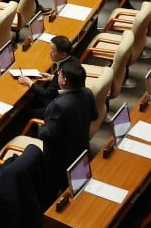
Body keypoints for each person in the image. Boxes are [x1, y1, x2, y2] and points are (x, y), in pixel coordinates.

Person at [37, 59, 97, 191]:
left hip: (60, 158)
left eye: (59, 75)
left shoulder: (61, 104)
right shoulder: (88, 93)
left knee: (55, 188)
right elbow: (94, 116)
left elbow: (48, 134)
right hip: (81, 148)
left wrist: (40, 128)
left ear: (64, 81)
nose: (57, 76)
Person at [15, 35, 75, 112]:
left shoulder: (65, 71)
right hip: (64, 99)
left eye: (53, 50)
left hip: (55, 108)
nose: (50, 53)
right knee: (33, 97)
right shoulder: (72, 60)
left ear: (63, 54)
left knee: (22, 112)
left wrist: (29, 82)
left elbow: (47, 93)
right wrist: (52, 77)